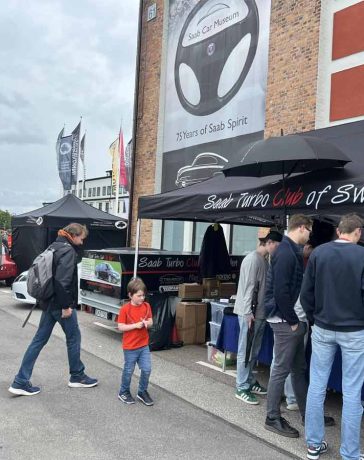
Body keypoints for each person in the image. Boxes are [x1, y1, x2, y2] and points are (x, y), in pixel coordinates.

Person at [264, 214, 334, 437]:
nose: (310, 235)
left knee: (298, 369)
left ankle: (308, 414)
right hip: (286, 321)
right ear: (302, 228)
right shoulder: (285, 252)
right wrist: (293, 321)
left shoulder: (289, 250)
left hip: (291, 319)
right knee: (281, 369)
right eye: (309, 230)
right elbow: (280, 291)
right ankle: (272, 417)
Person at [301, 213, 364, 460]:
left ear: (339, 231)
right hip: (355, 330)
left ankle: (314, 445)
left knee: (317, 386)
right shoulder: (362, 255)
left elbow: (306, 293)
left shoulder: (319, 253)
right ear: (358, 232)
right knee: (352, 392)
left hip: (323, 328)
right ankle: (350, 453)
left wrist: (314, 319)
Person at [9, 223, 98, 396]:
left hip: (48, 302)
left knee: (38, 340)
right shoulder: (68, 251)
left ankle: (20, 381)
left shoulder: (53, 246)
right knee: (73, 337)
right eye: (81, 238)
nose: (82, 242)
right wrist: (66, 306)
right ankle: (77, 376)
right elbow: (61, 282)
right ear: (73, 235)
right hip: (60, 304)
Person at [234, 235, 269, 405]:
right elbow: (249, 288)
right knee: (245, 350)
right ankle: (241, 386)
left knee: (253, 350)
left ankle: (248, 380)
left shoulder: (263, 260)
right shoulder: (252, 260)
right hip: (250, 314)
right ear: (269, 243)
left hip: (259, 313)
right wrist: (247, 313)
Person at [117, 277, 154, 406]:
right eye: (139, 296)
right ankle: (123, 391)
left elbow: (151, 322)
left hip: (143, 345)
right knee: (128, 370)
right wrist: (135, 326)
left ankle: (142, 391)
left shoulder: (147, 306)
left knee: (147, 369)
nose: (142, 298)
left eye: (143, 295)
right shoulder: (125, 309)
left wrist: (146, 324)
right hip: (130, 346)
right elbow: (120, 326)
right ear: (130, 295)